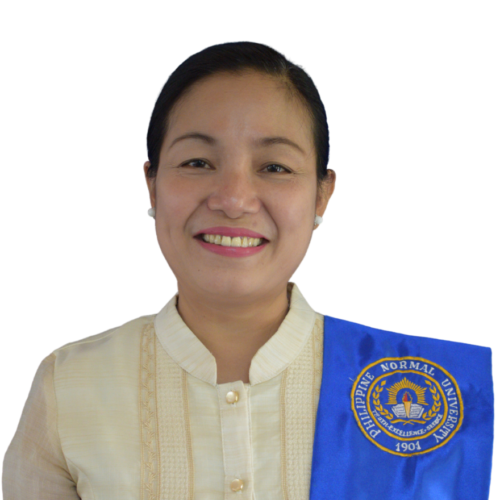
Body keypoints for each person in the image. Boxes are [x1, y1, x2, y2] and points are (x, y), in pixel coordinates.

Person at [1, 41, 494, 500]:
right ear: (151, 185)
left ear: (323, 194)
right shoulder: (69, 384)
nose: (233, 200)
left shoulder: (446, 390)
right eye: (197, 162)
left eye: (274, 167)